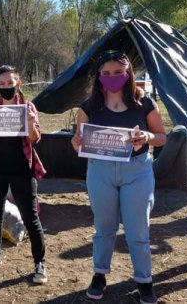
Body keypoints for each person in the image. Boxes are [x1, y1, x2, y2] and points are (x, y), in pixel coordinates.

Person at [71, 50, 166, 303]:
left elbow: (162, 136)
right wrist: (76, 142)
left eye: (117, 72)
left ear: (128, 73)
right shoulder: (88, 107)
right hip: (100, 170)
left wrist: (146, 137)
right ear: (99, 76)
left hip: (137, 170)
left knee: (138, 230)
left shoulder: (144, 103)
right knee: (104, 228)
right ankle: (100, 274)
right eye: (105, 73)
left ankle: (144, 279)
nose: (112, 77)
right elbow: (78, 142)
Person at [0, 65, 48, 284]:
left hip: (22, 169)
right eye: (2, 83)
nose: (6, 87)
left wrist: (31, 125)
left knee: (30, 216)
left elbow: (35, 140)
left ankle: (40, 263)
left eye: (10, 83)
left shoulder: (27, 107)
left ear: (19, 84)